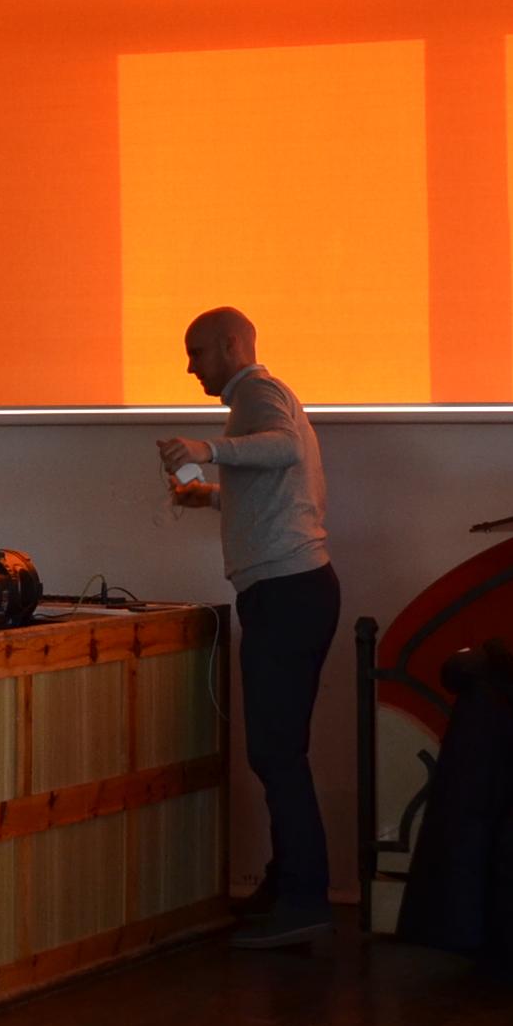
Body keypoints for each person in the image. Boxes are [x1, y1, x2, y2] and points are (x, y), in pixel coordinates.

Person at [156, 306, 337, 952]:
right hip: (292, 592)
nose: (190, 367)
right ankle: (288, 885)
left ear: (232, 344)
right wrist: (208, 494)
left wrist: (205, 451)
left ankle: (304, 899)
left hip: (287, 594)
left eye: (197, 351)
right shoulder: (254, 402)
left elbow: (282, 446)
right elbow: (275, 484)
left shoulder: (259, 392)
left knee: (276, 753)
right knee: (277, 751)